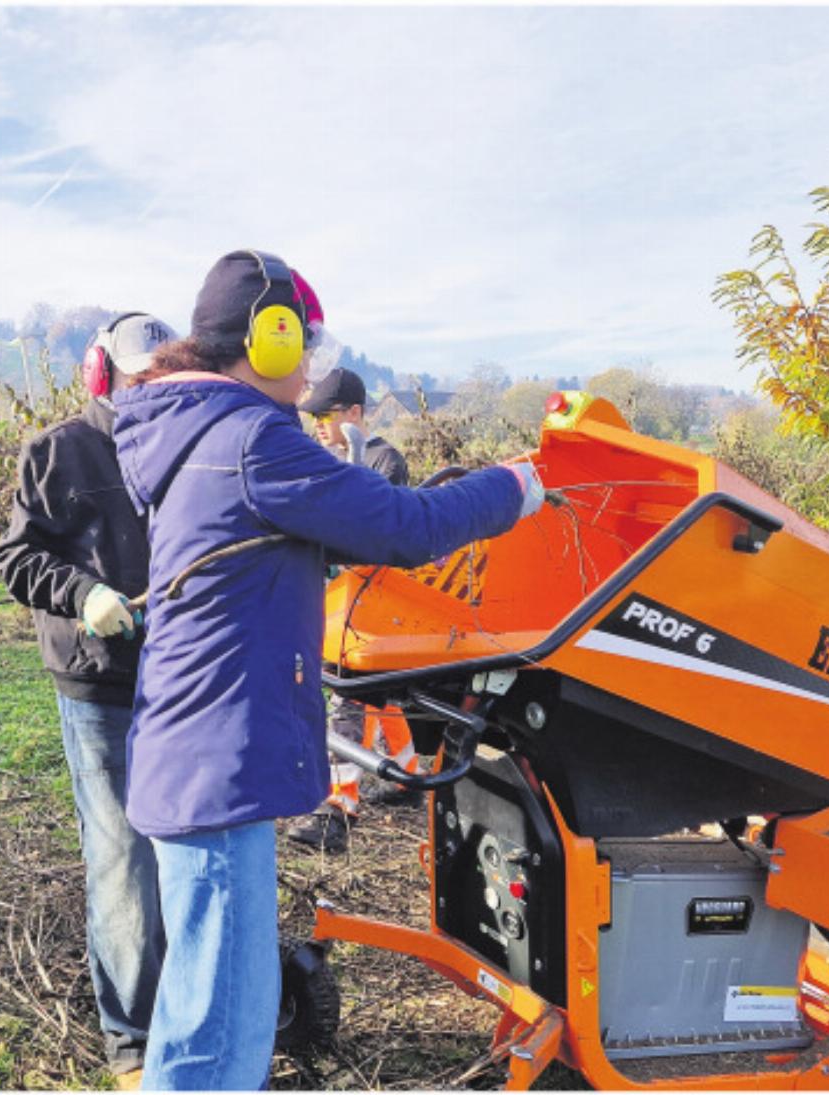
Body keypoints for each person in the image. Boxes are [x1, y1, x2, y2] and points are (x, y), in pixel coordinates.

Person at [111, 250, 542, 1090]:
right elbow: (406, 525)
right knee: (222, 1027)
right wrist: (520, 486)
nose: (309, 364)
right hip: (218, 767)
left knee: (199, 1002)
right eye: (301, 341)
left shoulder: (194, 430)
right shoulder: (250, 436)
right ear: (265, 340)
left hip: (194, 756)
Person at [0, 312, 178, 1088]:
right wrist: (84, 591)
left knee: (183, 852)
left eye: (158, 377)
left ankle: (181, 1008)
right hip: (99, 679)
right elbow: (15, 556)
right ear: (102, 373)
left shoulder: (180, 449)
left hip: (177, 680)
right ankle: (131, 1038)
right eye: (134, 376)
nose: (146, 389)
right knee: (123, 857)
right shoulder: (59, 449)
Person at [286, 365, 425, 853]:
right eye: (315, 416)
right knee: (380, 698)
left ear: (355, 413)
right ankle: (408, 774)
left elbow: (375, 532)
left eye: (326, 415)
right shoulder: (331, 460)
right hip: (339, 601)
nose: (318, 425)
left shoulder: (385, 462)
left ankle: (339, 805)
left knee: (350, 698)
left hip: (371, 604)